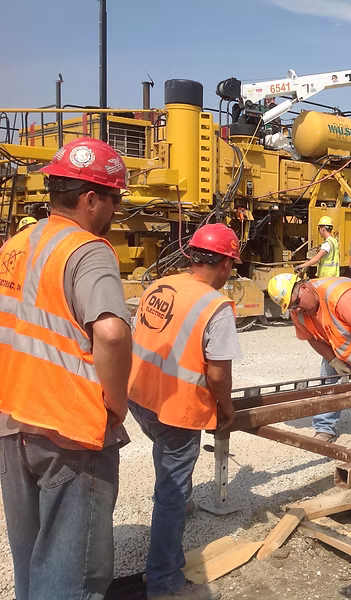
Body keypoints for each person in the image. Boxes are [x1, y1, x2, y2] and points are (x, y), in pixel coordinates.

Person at [0, 138, 132, 600]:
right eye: (114, 199)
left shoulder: (17, 244)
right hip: (69, 429)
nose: (116, 210)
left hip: (13, 421)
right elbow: (112, 334)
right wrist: (115, 404)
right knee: (70, 575)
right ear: (90, 198)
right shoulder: (89, 249)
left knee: (33, 558)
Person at [128, 223, 242, 600]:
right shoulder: (216, 306)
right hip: (176, 408)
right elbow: (218, 372)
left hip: (140, 396)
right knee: (171, 492)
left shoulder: (161, 285)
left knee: (167, 460)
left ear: (192, 256)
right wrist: (225, 409)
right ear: (224, 264)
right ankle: (165, 583)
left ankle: (180, 499)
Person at [268, 273, 351, 441]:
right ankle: (324, 428)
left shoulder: (341, 298)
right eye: (292, 307)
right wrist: (332, 360)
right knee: (329, 378)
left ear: (305, 288)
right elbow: (310, 337)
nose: (297, 309)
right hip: (343, 334)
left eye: (297, 303)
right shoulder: (299, 311)